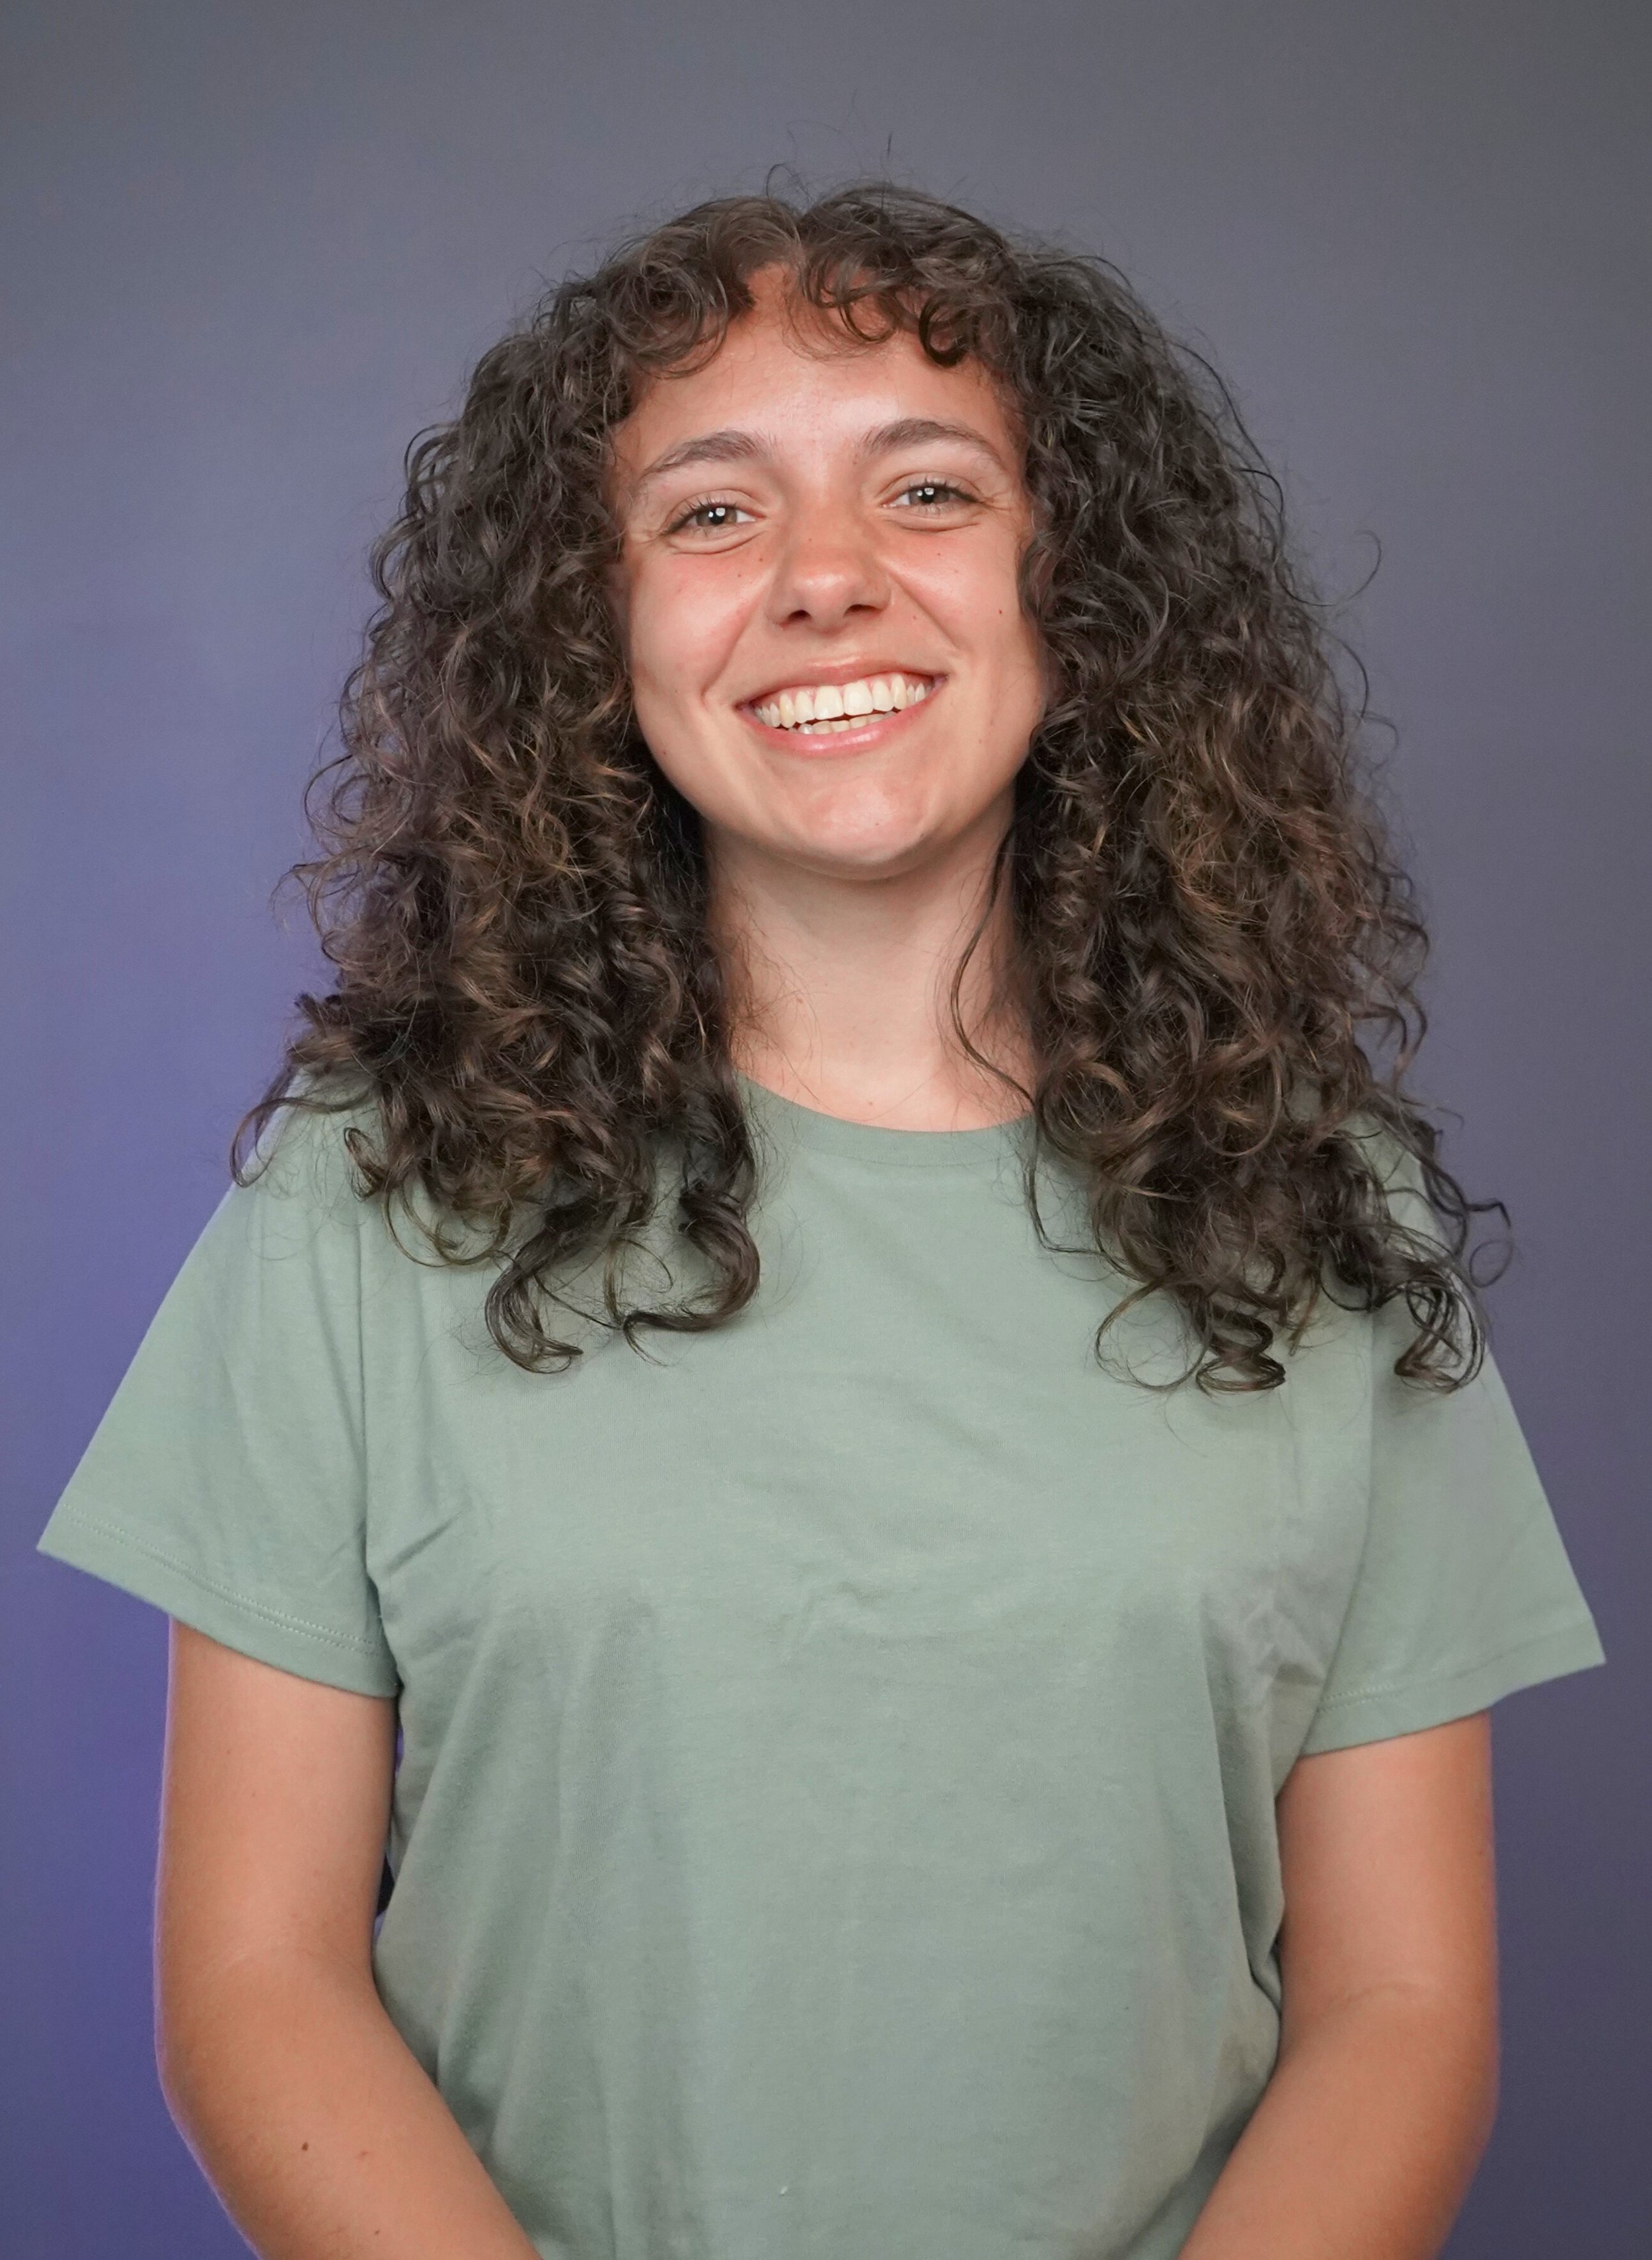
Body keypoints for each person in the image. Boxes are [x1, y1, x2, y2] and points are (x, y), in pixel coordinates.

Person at [37, 183, 1606, 2260]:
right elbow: (257, 1984)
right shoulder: (366, 1191)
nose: (824, 578)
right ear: (589, 631)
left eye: (927, 488)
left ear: (1079, 581)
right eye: (711, 513)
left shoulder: (1319, 1210)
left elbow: (1400, 2010)